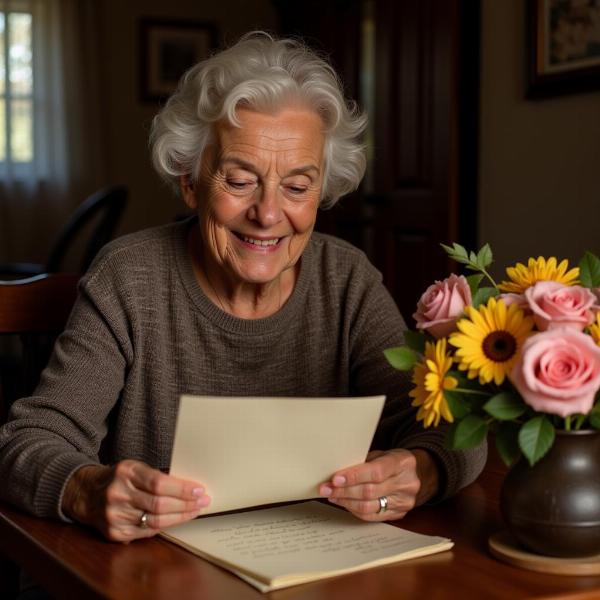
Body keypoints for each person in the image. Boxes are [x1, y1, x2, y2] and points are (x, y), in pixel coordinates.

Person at [0, 32, 486, 544]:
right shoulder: (129, 278)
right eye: (239, 180)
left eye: (297, 187)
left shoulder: (346, 280)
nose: (269, 214)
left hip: (315, 566)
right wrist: (87, 489)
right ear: (190, 180)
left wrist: (421, 470)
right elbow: (26, 444)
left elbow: (457, 428)